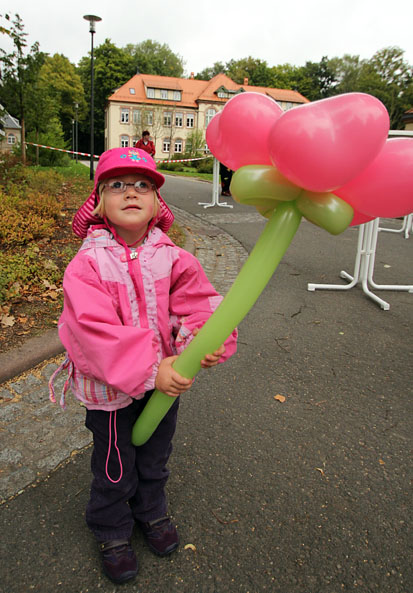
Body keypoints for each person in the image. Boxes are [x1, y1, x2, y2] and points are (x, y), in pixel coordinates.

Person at [49, 147, 237, 585]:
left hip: (164, 387)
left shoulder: (173, 257)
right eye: (117, 184)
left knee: (155, 456)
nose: (131, 192)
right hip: (110, 394)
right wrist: (154, 367)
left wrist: (201, 343)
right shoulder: (87, 264)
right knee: (114, 465)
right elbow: (91, 332)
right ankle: (112, 529)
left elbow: (199, 305)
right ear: (99, 203)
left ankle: (151, 512)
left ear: (157, 203)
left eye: (143, 185)